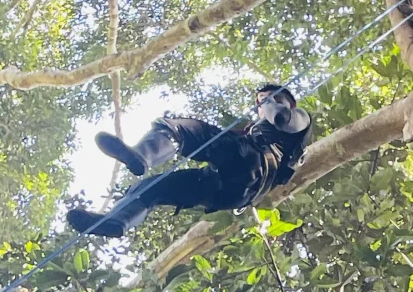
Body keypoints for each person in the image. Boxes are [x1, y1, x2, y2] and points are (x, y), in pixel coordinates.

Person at [66, 84, 313, 239]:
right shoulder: (255, 131)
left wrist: (270, 102)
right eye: (259, 103)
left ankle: (143, 155)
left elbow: (282, 118)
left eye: (264, 100)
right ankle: (116, 222)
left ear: (287, 100)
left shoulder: (299, 117)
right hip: (231, 193)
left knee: (182, 130)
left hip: (253, 161)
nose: (261, 105)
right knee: (155, 187)